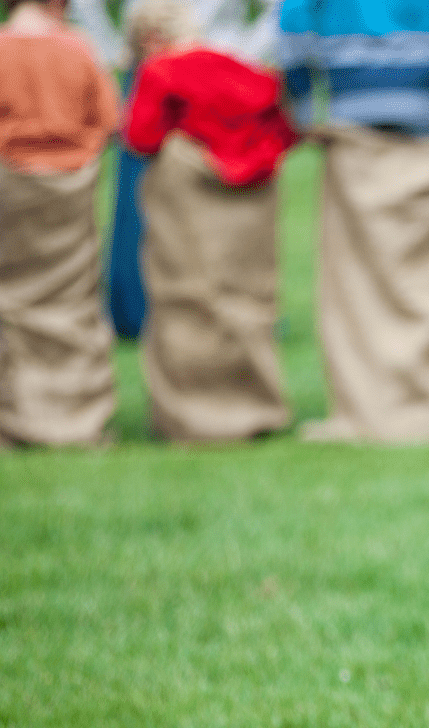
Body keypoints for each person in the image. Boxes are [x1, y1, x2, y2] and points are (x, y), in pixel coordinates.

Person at [279, 0, 429, 443]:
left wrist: (302, 109)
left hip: (350, 122)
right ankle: (414, 409)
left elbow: (294, 28)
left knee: (356, 281)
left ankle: (363, 409)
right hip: (426, 125)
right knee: (426, 277)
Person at [123, 0, 297, 442]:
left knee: (187, 297)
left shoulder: (162, 71)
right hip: (250, 203)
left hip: (189, 203)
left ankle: (191, 417)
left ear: (150, 39)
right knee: (248, 296)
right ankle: (256, 408)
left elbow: (140, 137)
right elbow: (287, 119)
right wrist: (255, 156)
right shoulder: (245, 68)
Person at [69, 0, 285, 341]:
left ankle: (229, 309)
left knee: (220, 206)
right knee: (141, 201)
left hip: (219, 68)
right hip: (154, 64)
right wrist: (110, 48)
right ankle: (140, 310)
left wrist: (244, 51)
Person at [0, 0, 119, 447]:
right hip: (70, 191)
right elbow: (109, 119)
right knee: (72, 301)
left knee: (11, 300)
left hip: (8, 187)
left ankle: (14, 421)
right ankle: (75, 421)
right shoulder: (78, 48)